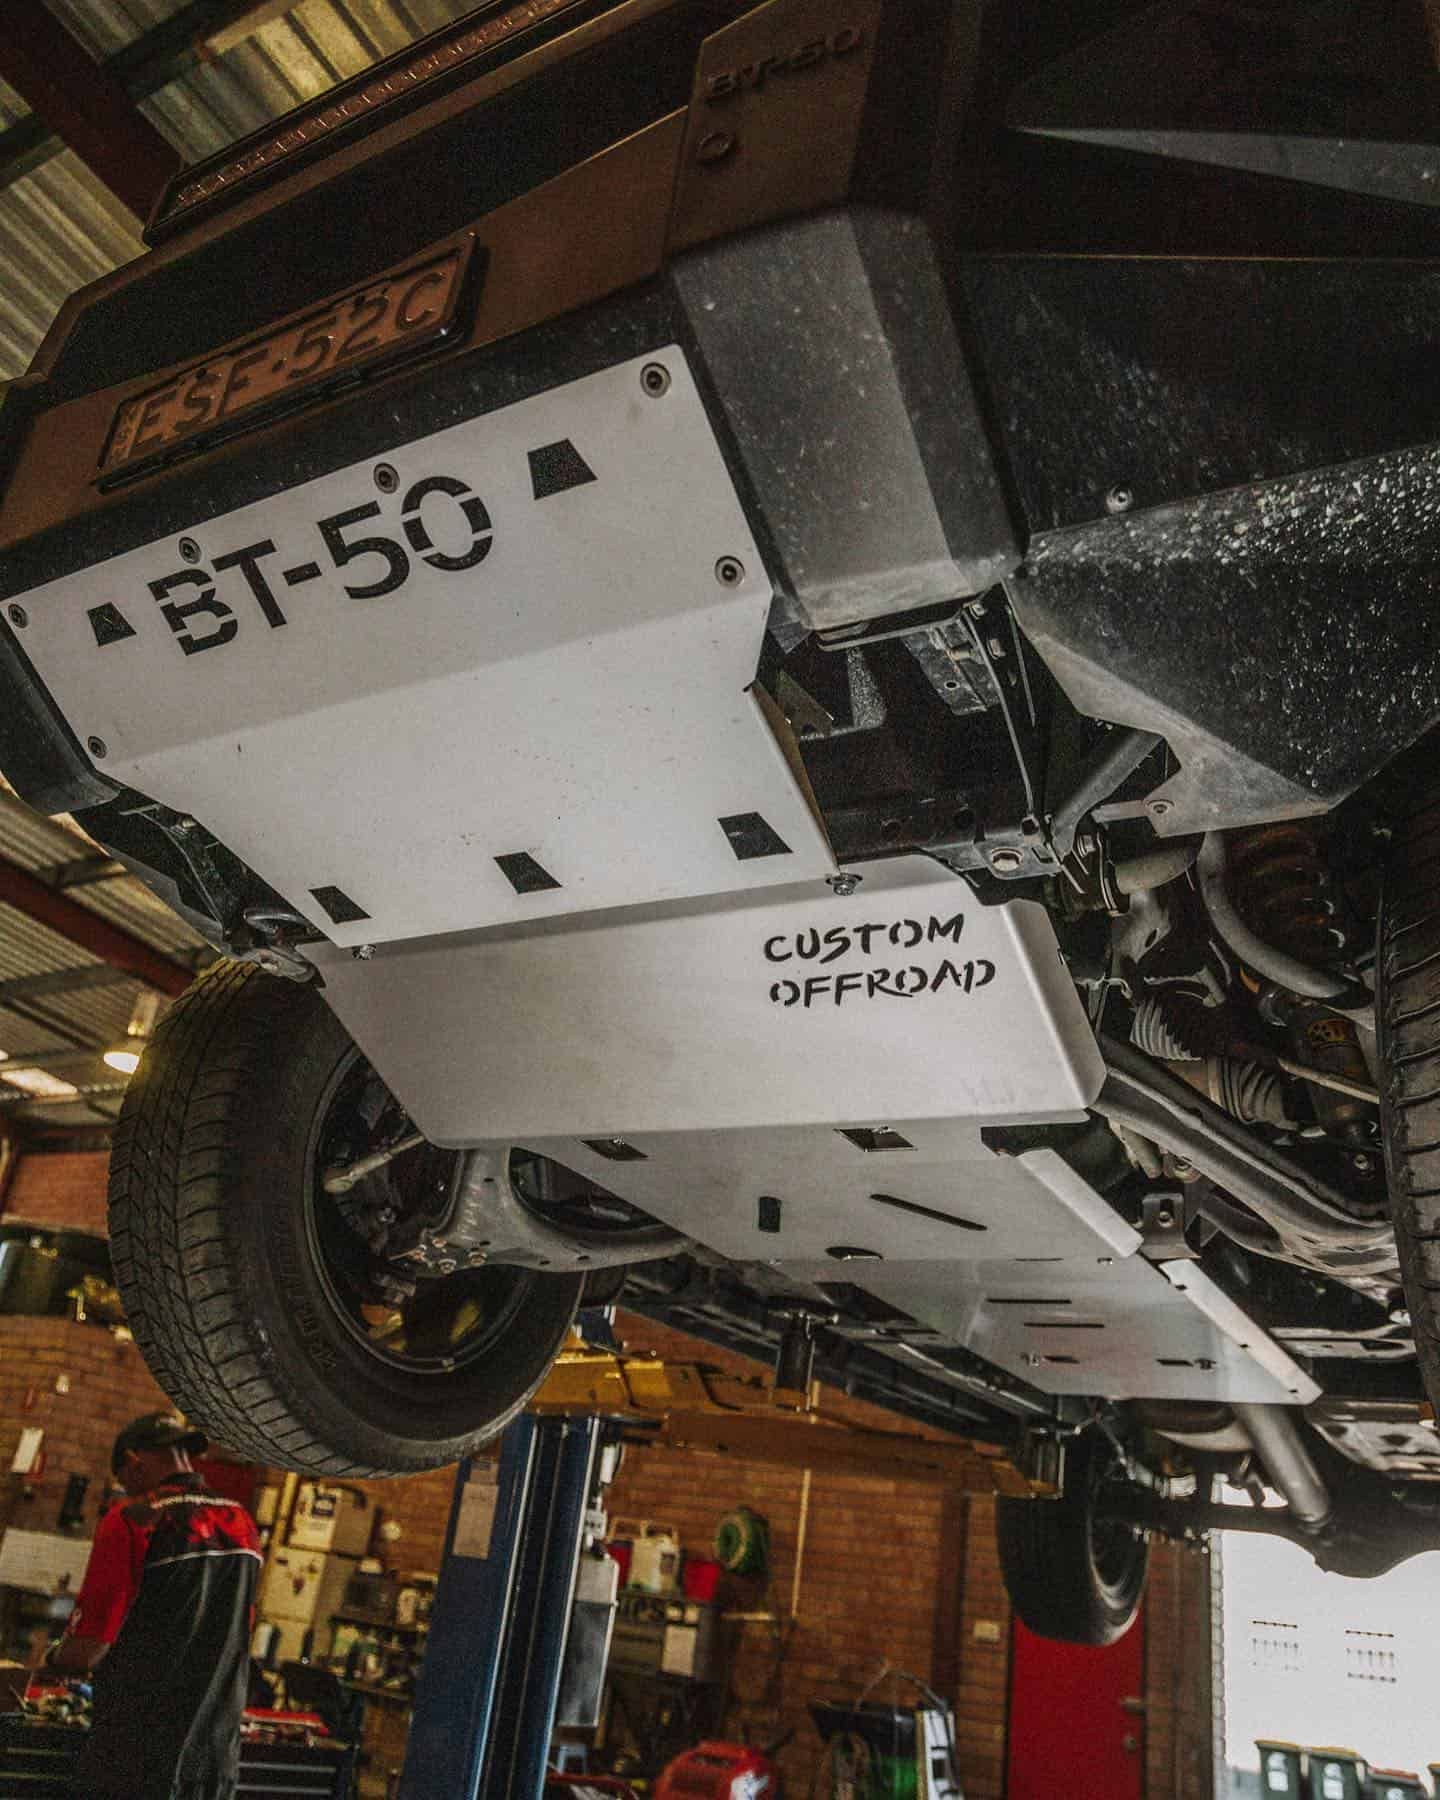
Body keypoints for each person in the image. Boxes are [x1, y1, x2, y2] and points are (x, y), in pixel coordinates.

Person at [43, 1411, 263, 1800]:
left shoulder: (132, 1519)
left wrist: (53, 1659)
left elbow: (89, 1649)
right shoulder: (241, 1522)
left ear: (132, 1461)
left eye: (122, 1479)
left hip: (138, 1756)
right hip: (214, 1759)